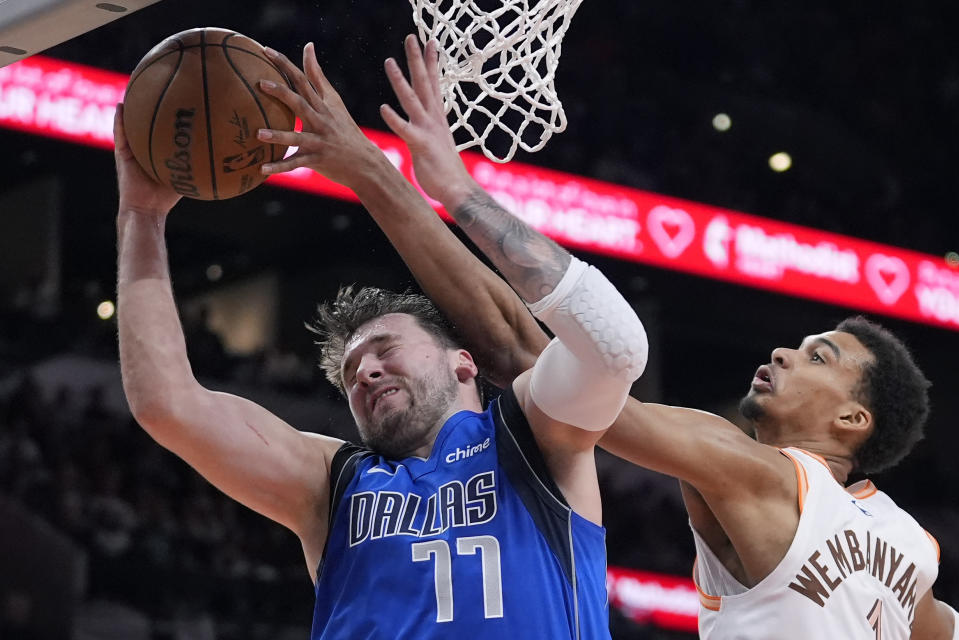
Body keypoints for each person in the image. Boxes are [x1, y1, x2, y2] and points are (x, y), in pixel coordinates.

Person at [259, 35, 958, 639]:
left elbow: (523, 353)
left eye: (818, 356)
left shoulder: (755, 468)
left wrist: (416, 185)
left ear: (852, 418)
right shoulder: (912, 547)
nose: (782, 352)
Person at [113, 40, 650, 639]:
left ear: (464, 363)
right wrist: (141, 217)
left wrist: (454, 192)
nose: (364, 372)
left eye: (384, 350)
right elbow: (167, 404)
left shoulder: (533, 439)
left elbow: (613, 349)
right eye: (350, 373)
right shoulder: (332, 481)